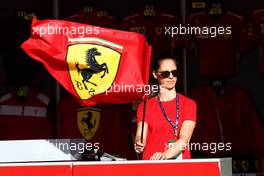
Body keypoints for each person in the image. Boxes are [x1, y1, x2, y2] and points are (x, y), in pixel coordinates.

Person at [134, 56, 197, 160]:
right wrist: (138, 143)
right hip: (151, 162)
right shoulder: (144, 106)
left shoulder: (189, 104)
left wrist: (164, 155)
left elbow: (184, 140)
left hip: (179, 166)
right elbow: (140, 135)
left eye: (174, 72)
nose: (171, 77)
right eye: (165, 74)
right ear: (155, 75)